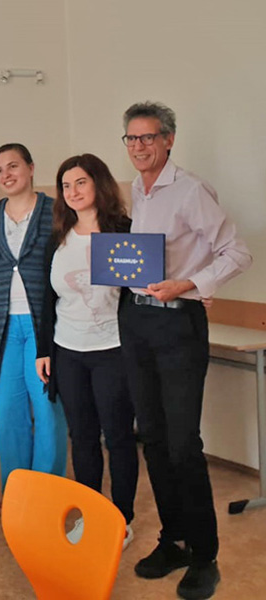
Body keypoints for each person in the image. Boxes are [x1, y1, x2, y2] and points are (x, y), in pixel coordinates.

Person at [119, 101, 251, 600]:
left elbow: (237, 252)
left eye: (148, 137)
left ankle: (204, 555)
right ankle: (172, 540)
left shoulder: (191, 190)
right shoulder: (137, 189)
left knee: (182, 445)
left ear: (169, 140)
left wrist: (191, 284)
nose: (139, 147)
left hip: (178, 323)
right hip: (137, 320)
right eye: (131, 138)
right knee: (152, 438)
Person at [35, 153, 138, 548]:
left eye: (80, 182)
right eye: (66, 185)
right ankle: (91, 515)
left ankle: (121, 520)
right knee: (81, 437)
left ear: (98, 184)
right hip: (68, 352)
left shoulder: (123, 232)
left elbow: (138, 293)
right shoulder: (58, 238)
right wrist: (44, 350)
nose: (73, 191)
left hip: (113, 350)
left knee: (118, 438)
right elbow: (47, 300)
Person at [0, 143, 68, 516]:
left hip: (44, 324)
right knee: (7, 410)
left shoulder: (55, 210)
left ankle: (46, 494)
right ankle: (15, 492)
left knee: (46, 408)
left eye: (13, 166)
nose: (6, 175)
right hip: (3, 324)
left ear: (30, 168)